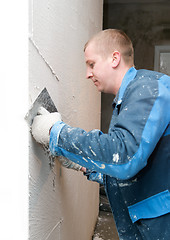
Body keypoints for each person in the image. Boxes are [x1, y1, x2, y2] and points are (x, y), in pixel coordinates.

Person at [31, 29, 170, 240]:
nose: (87, 74)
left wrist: (56, 133)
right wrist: (86, 167)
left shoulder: (148, 88)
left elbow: (124, 156)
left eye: (91, 64)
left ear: (114, 58)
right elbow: (140, 166)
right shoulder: (127, 101)